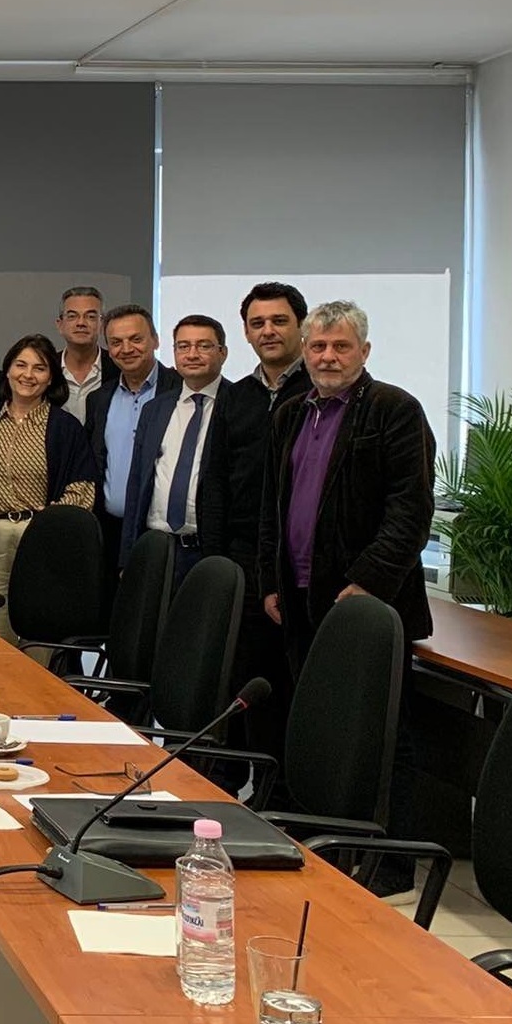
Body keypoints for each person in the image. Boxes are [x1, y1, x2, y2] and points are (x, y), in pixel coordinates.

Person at [260, 300, 436, 669]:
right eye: (318, 346)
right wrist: (270, 582)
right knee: (305, 700)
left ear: (364, 351)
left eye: (341, 346)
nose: (328, 357)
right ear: (305, 351)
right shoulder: (289, 414)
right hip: (295, 595)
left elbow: (411, 513)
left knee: (364, 704)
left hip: (365, 599)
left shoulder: (395, 409)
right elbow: (270, 509)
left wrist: (368, 583)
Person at [206, 282, 313, 762]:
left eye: (279, 321)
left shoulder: (319, 390)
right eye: (257, 323)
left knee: (294, 684)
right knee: (244, 679)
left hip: (298, 567)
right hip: (242, 560)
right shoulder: (237, 395)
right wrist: (219, 560)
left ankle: (287, 788)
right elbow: (215, 480)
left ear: (300, 327)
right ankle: (240, 779)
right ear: (246, 333)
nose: (268, 331)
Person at [0, 335, 99, 645]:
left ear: (51, 377)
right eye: (21, 365)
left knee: (40, 634)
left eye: (39, 368)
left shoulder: (65, 427)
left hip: (40, 538)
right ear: (7, 370)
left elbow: (82, 486)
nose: (28, 375)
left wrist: (54, 519)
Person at [119, 315, 231, 579]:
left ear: (223, 353)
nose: (192, 354)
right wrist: (127, 557)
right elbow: (137, 483)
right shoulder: (155, 409)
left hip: (208, 552)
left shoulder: (239, 404)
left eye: (203, 346)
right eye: (183, 346)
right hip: (154, 547)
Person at [84, 304, 180, 573]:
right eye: (116, 342)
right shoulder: (99, 399)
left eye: (136, 339)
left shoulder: (180, 389)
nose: (126, 349)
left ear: (155, 340)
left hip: (160, 534)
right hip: (110, 531)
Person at [57, 287, 114, 416]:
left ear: (102, 325)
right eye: (72, 316)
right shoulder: (46, 368)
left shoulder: (118, 368)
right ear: (60, 325)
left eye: (90, 316)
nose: (81, 323)